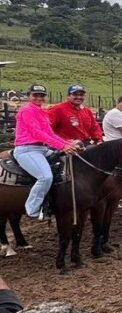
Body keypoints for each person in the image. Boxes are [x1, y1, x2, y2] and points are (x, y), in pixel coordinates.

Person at [13, 85, 80, 220]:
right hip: (27, 149)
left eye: (42, 95)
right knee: (45, 177)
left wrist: (68, 144)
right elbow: (36, 133)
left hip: (42, 149)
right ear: (29, 96)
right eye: (35, 95)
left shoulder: (40, 111)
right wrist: (62, 146)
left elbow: (50, 133)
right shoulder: (26, 110)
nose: (39, 98)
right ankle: (32, 209)